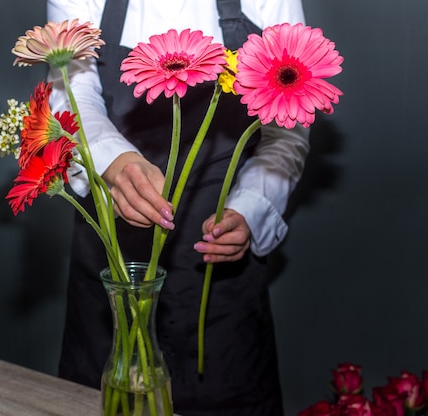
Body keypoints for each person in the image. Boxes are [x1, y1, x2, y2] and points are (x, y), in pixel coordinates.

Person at [47, 0, 310, 415]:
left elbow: (288, 125)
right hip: (112, 278)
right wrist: (112, 160)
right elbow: (69, 91)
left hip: (222, 284)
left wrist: (252, 206)